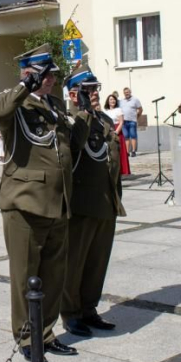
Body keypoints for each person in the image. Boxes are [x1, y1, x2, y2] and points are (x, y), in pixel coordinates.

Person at [0, 44, 77, 361]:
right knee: (26, 276)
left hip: (58, 203)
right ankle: (27, 338)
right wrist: (25, 84)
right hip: (25, 204)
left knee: (54, 275)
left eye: (52, 74)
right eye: (45, 75)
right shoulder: (14, 105)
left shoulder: (53, 106)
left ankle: (46, 332)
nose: (51, 80)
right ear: (30, 73)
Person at [61, 66, 126, 338]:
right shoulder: (68, 119)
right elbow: (73, 148)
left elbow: (111, 160)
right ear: (75, 95)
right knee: (74, 263)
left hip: (104, 201)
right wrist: (85, 114)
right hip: (80, 203)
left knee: (97, 262)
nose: (95, 94)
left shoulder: (104, 121)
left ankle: (89, 308)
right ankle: (72, 314)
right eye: (88, 90)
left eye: (96, 88)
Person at [104, 94, 130, 176]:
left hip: (117, 131)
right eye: (111, 99)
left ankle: (122, 170)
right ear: (108, 101)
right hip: (108, 130)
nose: (112, 101)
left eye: (114, 99)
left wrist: (116, 132)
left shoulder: (119, 110)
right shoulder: (105, 111)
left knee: (119, 152)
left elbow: (121, 122)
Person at [119, 87, 143, 157]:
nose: (127, 93)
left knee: (133, 136)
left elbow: (140, 109)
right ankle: (127, 152)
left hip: (132, 121)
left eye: (128, 92)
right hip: (124, 122)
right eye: (125, 92)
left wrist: (137, 116)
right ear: (124, 93)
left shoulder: (135, 100)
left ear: (130, 92)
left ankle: (133, 151)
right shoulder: (121, 101)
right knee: (126, 136)